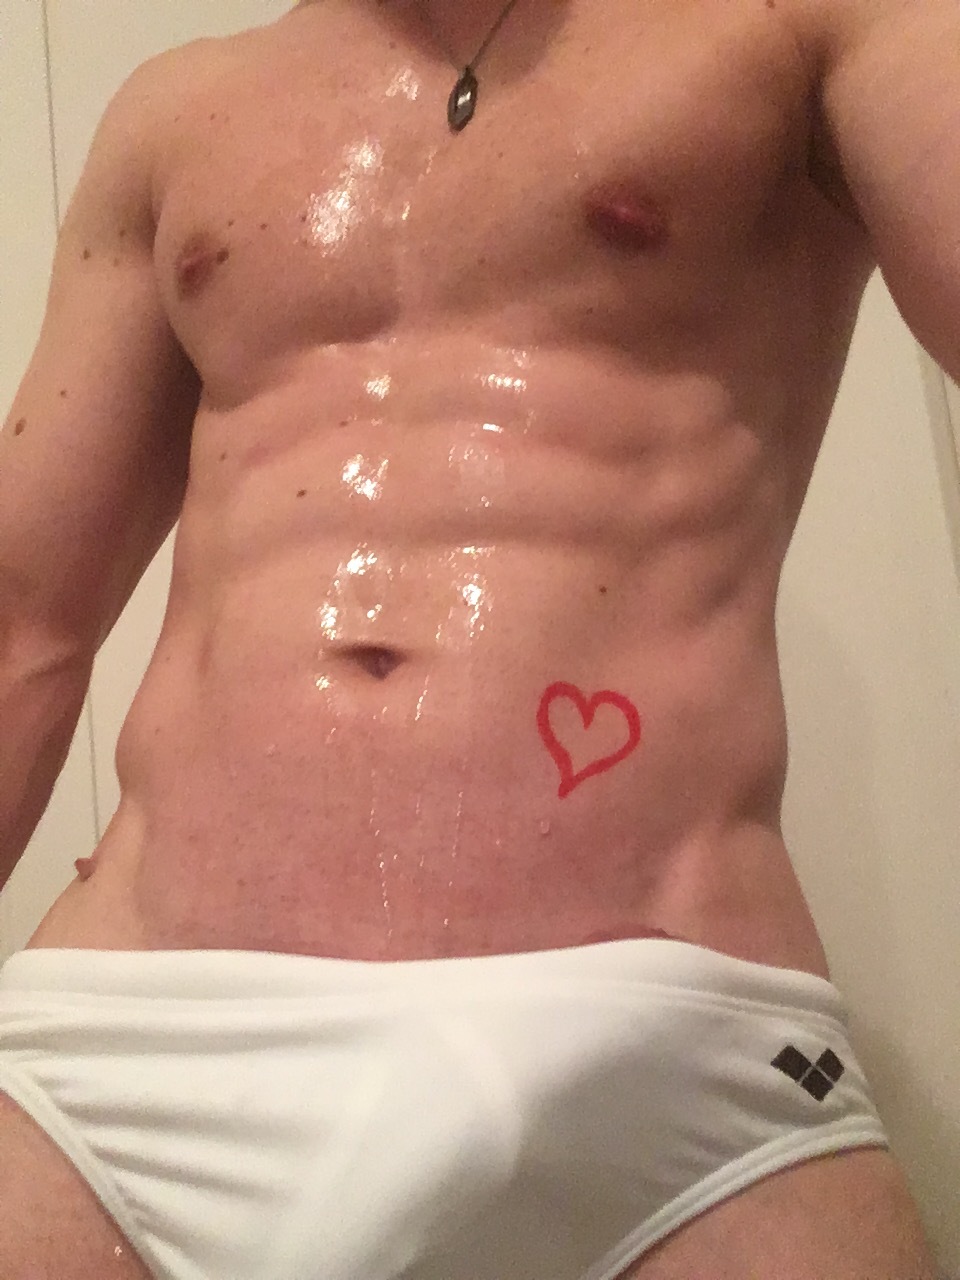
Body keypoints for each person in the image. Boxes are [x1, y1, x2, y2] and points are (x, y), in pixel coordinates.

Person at [0, 0, 948, 1275]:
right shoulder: (174, 114)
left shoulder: (799, 28)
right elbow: (25, 619)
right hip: (131, 1044)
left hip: (664, 1049)